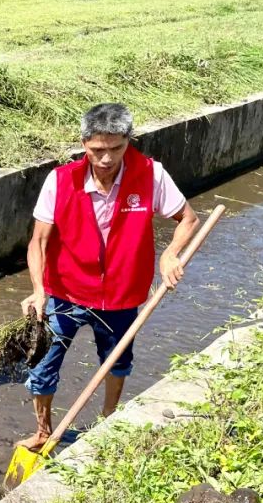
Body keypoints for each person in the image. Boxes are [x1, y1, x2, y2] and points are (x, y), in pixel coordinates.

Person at [17, 103, 200, 450]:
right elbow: (38, 241)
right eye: (97, 150)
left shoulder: (150, 174)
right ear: (84, 144)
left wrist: (170, 254)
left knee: (117, 361)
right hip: (66, 292)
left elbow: (188, 219)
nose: (106, 159)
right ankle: (42, 432)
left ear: (128, 141)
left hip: (121, 294)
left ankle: (107, 421)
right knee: (42, 364)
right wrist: (39, 290)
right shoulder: (60, 180)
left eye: (116, 148)